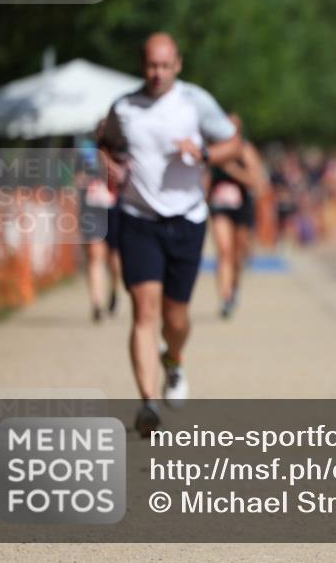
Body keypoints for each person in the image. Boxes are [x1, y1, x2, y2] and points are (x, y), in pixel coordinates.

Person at [103, 32, 241, 437]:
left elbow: (232, 145)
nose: (157, 73)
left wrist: (202, 155)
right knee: (144, 311)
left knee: (174, 318)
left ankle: (174, 360)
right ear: (141, 64)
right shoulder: (124, 106)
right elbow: (106, 143)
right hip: (138, 218)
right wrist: (109, 165)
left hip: (187, 219)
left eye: (165, 65)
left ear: (177, 64)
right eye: (150, 65)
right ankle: (147, 402)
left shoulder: (195, 102)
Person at [208, 113, 269, 318]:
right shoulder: (214, 150)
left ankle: (234, 288)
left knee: (237, 254)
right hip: (219, 206)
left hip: (242, 206)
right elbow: (205, 178)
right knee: (224, 251)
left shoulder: (245, 150)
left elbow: (256, 181)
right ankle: (224, 298)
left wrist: (232, 170)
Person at [77, 124, 122, 322]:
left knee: (114, 259)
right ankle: (97, 303)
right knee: (95, 255)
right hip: (92, 210)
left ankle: (115, 289)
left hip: (115, 210)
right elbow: (77, 179)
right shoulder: (87, 153)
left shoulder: (123, 152)